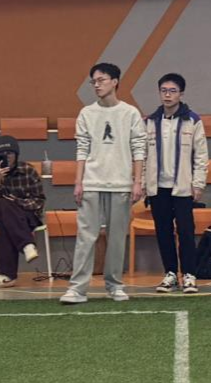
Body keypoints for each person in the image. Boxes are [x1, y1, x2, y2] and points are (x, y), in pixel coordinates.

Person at [59, 62, 146, 304]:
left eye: (101, 80)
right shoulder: (87, 113)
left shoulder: (130, 113)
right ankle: (77, 289)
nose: (97, 85)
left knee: (117, 238)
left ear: (115, 82)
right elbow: (82, 149)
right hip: (92, 182)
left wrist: (137, 182)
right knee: (86, 236)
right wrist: (79, 182)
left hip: (120, 184)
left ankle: (115, 285)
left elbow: (139, 149)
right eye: (93, 81)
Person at [143, 72, 208, 294]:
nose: (167, 95)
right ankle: (170, 273)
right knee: (163, 231)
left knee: (186, 231)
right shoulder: (150, 121)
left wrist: (198, 184)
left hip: (183, 187)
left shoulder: (193, 120)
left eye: (172, 91)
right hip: (157, 187)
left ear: (181, 94)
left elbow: (201, 156)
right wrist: (143, 183)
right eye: (164, 91)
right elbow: (143, 155)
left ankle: (189, 274)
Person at [0, 134, 45, 288]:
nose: (7, 157)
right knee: (2, 203)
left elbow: (39, 201)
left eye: (10, 153)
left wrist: (16, 202)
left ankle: (6, 276)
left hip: (27, 214)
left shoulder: (28, 171)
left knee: (6, 224)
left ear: (16, 154)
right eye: (2, 154)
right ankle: (27, 244)